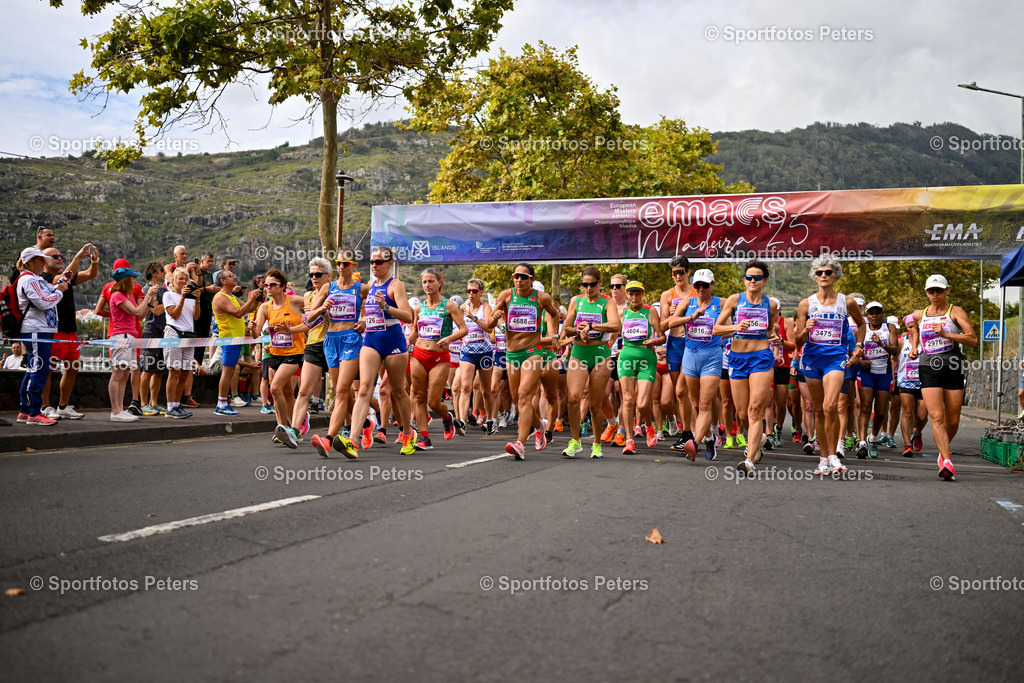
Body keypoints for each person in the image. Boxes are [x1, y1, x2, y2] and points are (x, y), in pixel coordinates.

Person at [795, 255, 866, 476]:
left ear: (835, 275)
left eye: (828, 272)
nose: (823, 276)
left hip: (836, 360)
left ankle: (834, 455)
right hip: (812, 361)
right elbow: (797, 341)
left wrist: (859, 345)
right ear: (814, 276)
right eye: (819, 273)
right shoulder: (806, 304)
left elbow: (861, 324)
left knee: (830, 406)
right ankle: (823, 458)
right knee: (818, 409)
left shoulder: (847, 302)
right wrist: (805, 329)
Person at [346, 248, 418, 456]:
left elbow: (407, 316)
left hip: (393, 341)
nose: (374, 265)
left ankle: (407, 432)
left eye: (379, 262)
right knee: (365, 389)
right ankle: (352, 440)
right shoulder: (369, 287)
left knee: (397, 391)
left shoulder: (396, 286)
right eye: (372, 261)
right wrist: (362, 322)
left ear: (390, 264)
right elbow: (368, 314)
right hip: (371, 340)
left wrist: (386, 306)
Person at [713, 260, 781, 475]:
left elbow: (769, 331)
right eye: (749, 277)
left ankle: (750, 459)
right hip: (737, 358)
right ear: (744, 280)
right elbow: (716, 329)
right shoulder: (735, 300)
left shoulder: (770, 305)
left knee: (754, 410)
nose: (752, 281)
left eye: (757, 277)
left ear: (764, 280)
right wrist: (735, 327)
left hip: (761, 357)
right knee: (742, 414)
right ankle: (757, 438)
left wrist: (775, 339)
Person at [910, 274, 978, 480]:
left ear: (947, 290)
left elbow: (972, 339)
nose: (935, 294)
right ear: (926, 293)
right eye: (931, 291)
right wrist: (914, 346)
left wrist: (947, 335)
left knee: (953, 419)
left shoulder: (955, 311)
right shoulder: (919, 315)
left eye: (939, 290)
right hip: (928, 367)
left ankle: (943, 450)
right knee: (937, 416)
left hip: (952, 366)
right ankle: (946, 460)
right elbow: (913, 329)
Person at [491, 263, 562, 460]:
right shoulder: (506, 296)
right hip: (512, 354)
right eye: (516, 276)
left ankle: (520, 443)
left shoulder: (541, 298)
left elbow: (555, 313)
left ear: (531, 279)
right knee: (517, 398)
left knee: (524, 395)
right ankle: (539, 426)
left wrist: (554, 336)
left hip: (533, 351)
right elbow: (489, 323)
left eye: (524, 276)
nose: (519, 280)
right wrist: (495, 316)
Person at [559, 266, 622, 459]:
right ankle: (575, 441)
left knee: (595, 403)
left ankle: (596, 444)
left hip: (600, 354)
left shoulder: (607, 302)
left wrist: (592, 326)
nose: (588, 288)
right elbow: (566, 329)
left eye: (592, 284)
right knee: (573, 397)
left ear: (600, 283)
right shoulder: (576, 301)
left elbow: (615, 325)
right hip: (578, 352)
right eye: (584, 284)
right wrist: (578, 330)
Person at [309, 253, 368, 459]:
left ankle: (328, 438)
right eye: (339, 263)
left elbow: (377, 310)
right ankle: (365, 424)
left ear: (353, 265)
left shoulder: (362, 288)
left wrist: (365, 320)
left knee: (342, 391)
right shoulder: (328, 288)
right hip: (330, 340)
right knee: (343, 391)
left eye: (346, 263)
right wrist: (322, 309)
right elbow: (309, 316)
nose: (341, 266)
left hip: (351, 339)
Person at [408, 267, 468, 450]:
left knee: (433, 401)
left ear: (439, 283)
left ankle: (446, 416)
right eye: (424, 282)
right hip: (418, 354)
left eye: (431, 281)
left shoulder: (448, 305)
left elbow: (464, 329)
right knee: (418, 396)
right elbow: (415, 332)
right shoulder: (419, 307)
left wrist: (449, 338)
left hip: (439, 357)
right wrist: (406, 341)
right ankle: (424, 438)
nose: (427, 285)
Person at [249, 268, 308, 447]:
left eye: (272, 284)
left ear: (282, 286)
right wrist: (251, 327)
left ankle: (282, 427)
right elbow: (256, 334)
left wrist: (296, 330)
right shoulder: (265, 307)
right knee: (287, 392)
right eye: (266, 285)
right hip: (275, 353)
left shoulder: (297, 301)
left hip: (295, 353)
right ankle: (293, 429)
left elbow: (311, 322)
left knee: (275, 388)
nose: (268, 288)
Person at [37, 243, 98, 420]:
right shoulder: (44, 277)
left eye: (60, 255)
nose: (59, 258)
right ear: (45, 261)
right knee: (49, 369)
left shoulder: (65, 277)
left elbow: (91, 274)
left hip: (70, 331)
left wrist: (94, 261)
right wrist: (77, 257)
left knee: (72, 368)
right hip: (54, 330)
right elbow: (63, 278)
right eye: (55, 256)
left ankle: (63, 406)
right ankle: (45, 406)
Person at [670, 268, 724, 461]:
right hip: (690, 356)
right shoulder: (688, 302)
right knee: (694, 403)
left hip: (712, 356)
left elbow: (739, 316)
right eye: (698, 285)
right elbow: (669, 323)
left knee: (705, 402)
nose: (701, 288)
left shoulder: (722, 303)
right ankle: (709, 438)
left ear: (713, 285)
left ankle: (696, 442)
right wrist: (691, 317)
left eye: (705, 285)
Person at [15, 247, 67, 425]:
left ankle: (25, 410)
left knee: (32, 369)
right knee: (40, 370)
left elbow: (46, 293)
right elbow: (43, 302)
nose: (44, 262)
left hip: (39, 329)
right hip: (37, 329)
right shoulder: (29, 279)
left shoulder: (33, 279)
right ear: (29, 262)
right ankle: (34, 412)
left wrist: (57, 286)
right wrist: (59, 291)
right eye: (40, 260)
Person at [617, 281, 664, 454]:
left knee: (643, 403)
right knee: (628, 400)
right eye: (631, 294)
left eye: (637, 294)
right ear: (627, 295)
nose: (634, 297)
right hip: (627, 356)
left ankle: (649, 425)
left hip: (646, 357)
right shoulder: (622, 312)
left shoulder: (650, 311)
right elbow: (613, 333)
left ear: (642, 294)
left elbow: (662, 336)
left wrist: (655, 341)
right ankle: (629, 440)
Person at [107, 266, 158, 421]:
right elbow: (136, 312)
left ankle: (119, 409)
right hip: (121, 337)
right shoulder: (117, 295)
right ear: (126, 279)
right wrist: (148, 295)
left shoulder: (127, 295)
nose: (135, 280)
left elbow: (140, 316)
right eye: (133, 278)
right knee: (118, 374)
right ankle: (115, 411)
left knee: (123, 375)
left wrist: (150, 301)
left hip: (129, 337)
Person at [212, 266, 263, 416]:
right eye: (230, 275)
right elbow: (238, 313)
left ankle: (223, 403)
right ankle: (221, 404)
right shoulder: (220, 297)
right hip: (229, 339)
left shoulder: (232, 297)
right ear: (222, 281)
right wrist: (252, 299)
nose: (234, 277)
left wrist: (257, 298)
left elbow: (250, 309)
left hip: (236, 340)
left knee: (230, 371)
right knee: (228, 372)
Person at [659, 256, 696, 451]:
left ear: (688, 272)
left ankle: (695, 432)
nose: (678, 276)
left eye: (681, 272)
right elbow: (662, 325)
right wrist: (674, 314)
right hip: (674, 344)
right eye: (675, 273)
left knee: (685, 390)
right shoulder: (667, 295)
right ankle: (688, 432)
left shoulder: (696, 290)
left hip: (692, 342)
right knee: (680, 394)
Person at [855, 301, 898, 458]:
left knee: (880, 412)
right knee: (865, 406)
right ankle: (861, 442)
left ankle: (873, 438)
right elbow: (852, 352)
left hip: (883, 373)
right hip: (866, 372)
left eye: (877, 312)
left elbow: (895, 350)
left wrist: (881, 343)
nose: (874, 315)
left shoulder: (889, 328)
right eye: (871, 313)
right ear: (867, 315)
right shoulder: (862, 329)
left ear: (882, 314)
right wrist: (860, 362)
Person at [458, 278, 496, 435]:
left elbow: (489, 328)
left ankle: (491, 420)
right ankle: (461, 421)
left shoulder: (485, 307)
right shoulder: (463, 307)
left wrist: (473, 318)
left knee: (486, 391)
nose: (471, 294)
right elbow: (459, 326)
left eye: (474, 291)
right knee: (465, 387)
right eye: (468, 291)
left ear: (480, 292)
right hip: (467, 351)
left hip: (485, 352)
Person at [162, 268, 202, 418]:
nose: (184, 282)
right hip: (173, 334)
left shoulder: (190, 299)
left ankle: (177, 404)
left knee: (185, 372)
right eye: (180, 279)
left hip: (188, 335)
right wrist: (183, 298)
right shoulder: (168, 295)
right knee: (174, 371)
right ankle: (170, 406)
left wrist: (197, 299)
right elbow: (174, 314)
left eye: (186, 279)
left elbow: (196, 317)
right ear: (173, 280)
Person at [139, 261, 168, 415]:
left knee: (159, 371)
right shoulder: (146, 289)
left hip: (163, 333)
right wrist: (172, 301)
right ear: (153, 273)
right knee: (148, 369)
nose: (164, 272)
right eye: (161, 270)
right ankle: (143, 403)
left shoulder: (164, 290)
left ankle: (154, 402)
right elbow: (156, 311)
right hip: (151, 332)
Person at [896, 314, 927, 457]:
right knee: (907, 412)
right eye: (910, 326)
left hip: (924, 381)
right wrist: (893, 378)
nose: (913, 329)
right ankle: (907, 444)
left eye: (915, 326)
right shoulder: (902, 341)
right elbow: (894, 359)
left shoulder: (926, 341)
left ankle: (917, 432)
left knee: (922, 416)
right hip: (905, 379)